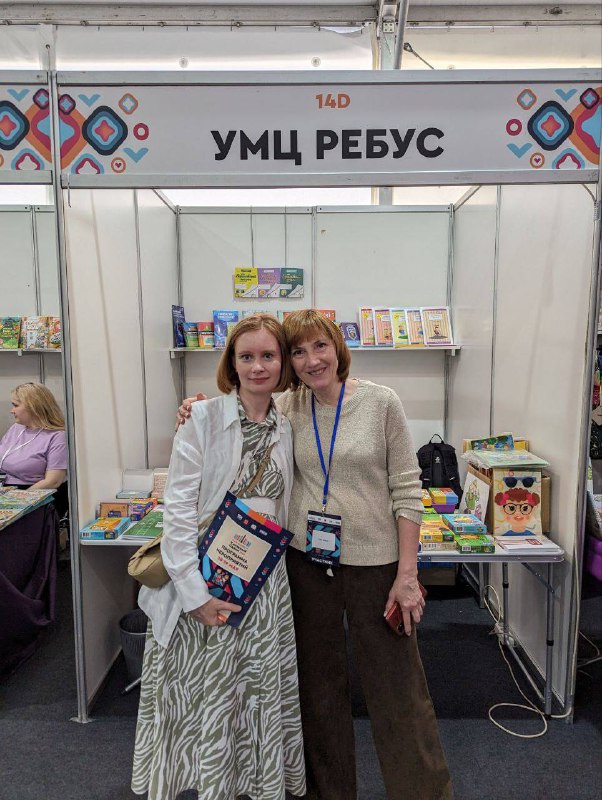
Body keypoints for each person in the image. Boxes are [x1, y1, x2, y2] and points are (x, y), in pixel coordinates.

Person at [179, 309, 452, 800]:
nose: (311, 360)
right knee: (318, 692)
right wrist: (197, 409)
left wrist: (408, 575)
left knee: (398, 691)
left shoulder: (380, 402)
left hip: (376, 565)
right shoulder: (287, 406)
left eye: (319, 346)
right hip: (307, 564)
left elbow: (408, 490)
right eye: (298, 352)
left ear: (337, 347)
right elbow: (239, 409)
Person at [132, 314, 305, 800]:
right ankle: (208, 784)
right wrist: (195, 595)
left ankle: (251, 781)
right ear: (231, 362)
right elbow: (178, 511)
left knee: (253, 689)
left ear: (282, 362)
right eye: (246, 356)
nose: (257, 366)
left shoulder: (287, 423)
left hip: (263, 582)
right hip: (205, 574)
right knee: (204, 689)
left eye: (268, 355)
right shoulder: (203, 418)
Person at [0, 382, 67, 497]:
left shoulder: (58, 437)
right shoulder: (16, 428)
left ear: (33, 407)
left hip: (34, 495)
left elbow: (53, 481)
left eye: (16, 405)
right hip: (7, 490)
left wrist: (19, 499)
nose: (12, 411)